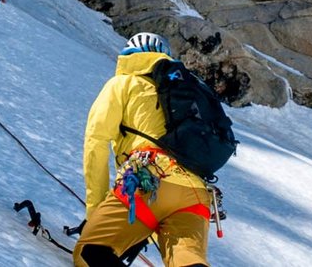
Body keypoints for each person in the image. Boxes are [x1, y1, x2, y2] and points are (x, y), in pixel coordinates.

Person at [74, 32, 212, 267]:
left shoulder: (123, 83)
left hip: (148, 180)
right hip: (196, 193)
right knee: (187, 260)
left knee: (89, 253)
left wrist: (95, 212)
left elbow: (96, 143)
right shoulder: (186, 94)